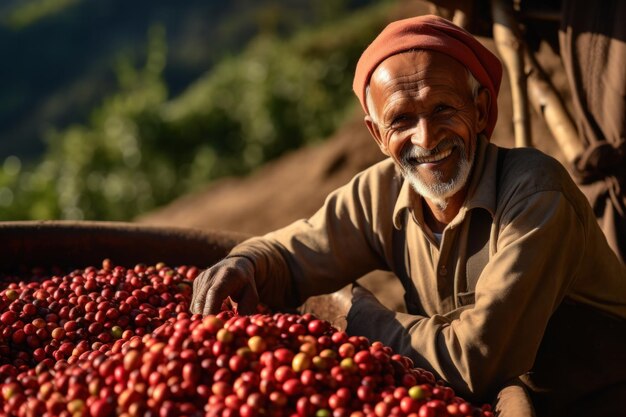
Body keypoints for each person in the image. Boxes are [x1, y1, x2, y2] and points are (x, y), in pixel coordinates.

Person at [191, 15, 626, 417]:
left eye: (442, 109)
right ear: (377, 134)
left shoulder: (535, 196)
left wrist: (359, 319)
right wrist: (246, 262)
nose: (426, 137)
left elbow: (476, 360)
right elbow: (294, 253)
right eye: (401, 119)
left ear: (480, 111)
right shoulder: (380, 191)